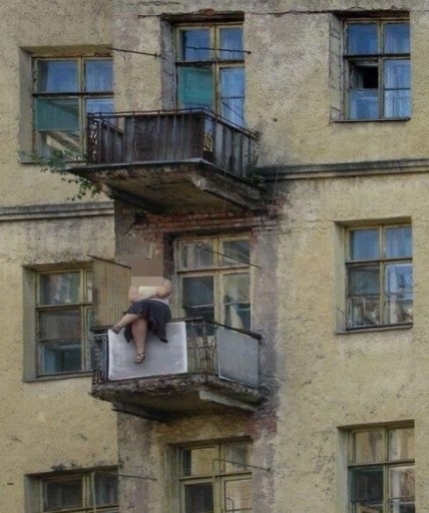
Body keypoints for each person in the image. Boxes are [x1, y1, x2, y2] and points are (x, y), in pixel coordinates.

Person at [111, 278, 172, 364]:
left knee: (144, 304)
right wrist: (150, 296)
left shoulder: (165, 281)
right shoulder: (137, 282)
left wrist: (143, 297)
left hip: (159, 310)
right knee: (139, 318)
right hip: (140, 311)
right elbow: (132, 298)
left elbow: (162, 293)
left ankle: (119, 325)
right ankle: (141, 353)